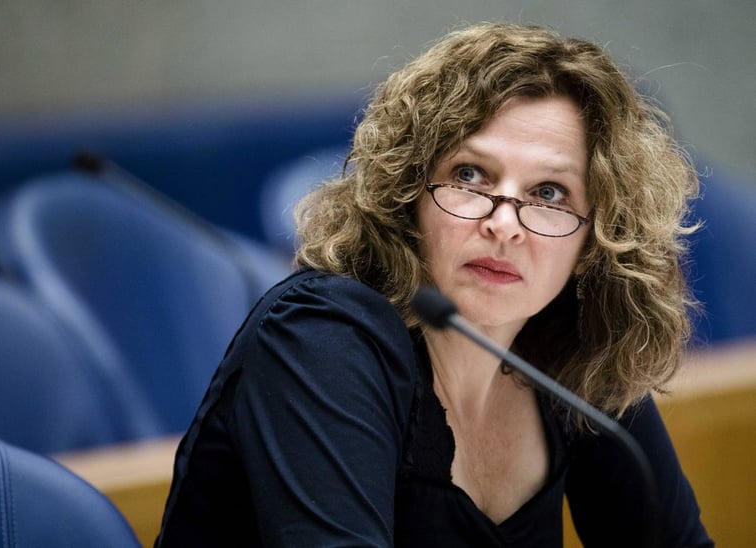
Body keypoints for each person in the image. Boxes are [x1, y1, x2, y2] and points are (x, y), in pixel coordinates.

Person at [155, 22, 713, 547]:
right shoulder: (319, 339)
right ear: (408, 195)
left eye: (549, 194)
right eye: (470, 175)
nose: (503, 223)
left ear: (597, 239)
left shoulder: (582, 356)